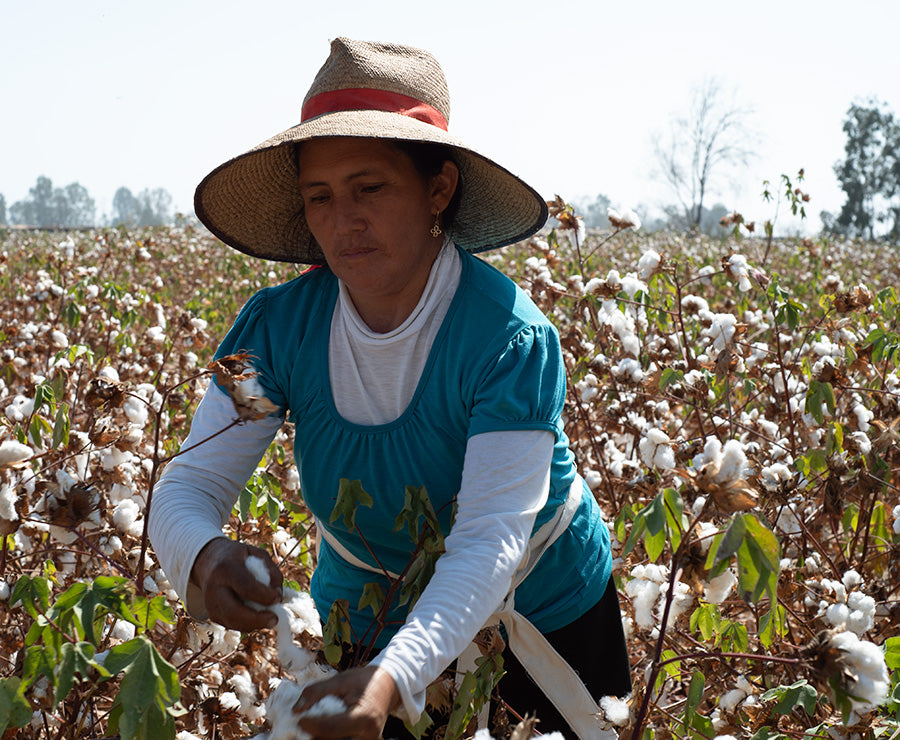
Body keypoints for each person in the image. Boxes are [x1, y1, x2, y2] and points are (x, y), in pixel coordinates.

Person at [149, 37, 631, 739]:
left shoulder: (508, 342)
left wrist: (391, 679)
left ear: (439, 188)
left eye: (369, 187)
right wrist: (206, 555)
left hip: (544, 616)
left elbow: (490, 540)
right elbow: (191, 481)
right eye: (320, 196)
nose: (343, 220)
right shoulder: (270, 337)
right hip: (365, 618)